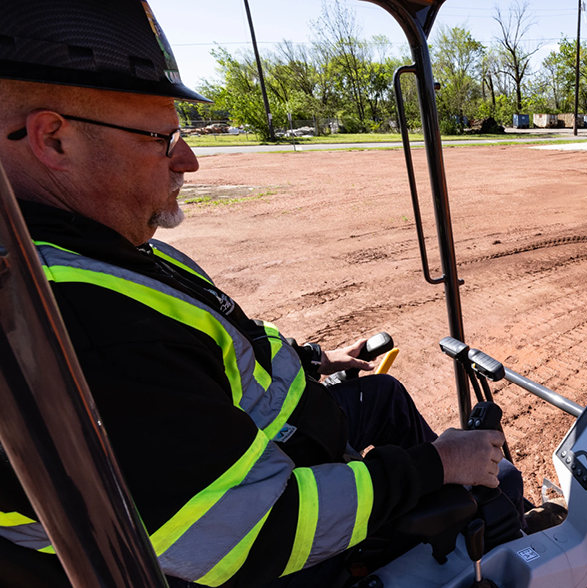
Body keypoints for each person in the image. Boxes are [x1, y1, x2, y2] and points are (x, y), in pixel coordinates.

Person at [0, 1, 517, 586]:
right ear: (53, 139)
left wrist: (311, 358)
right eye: (163, 137)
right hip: (276, 538)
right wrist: (434, 466)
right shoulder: (83, 327)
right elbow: (253, 534)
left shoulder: (92, 249)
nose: (188, 160)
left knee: (388, 397)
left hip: (270, 441)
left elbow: (219, 344)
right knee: (489, 490)